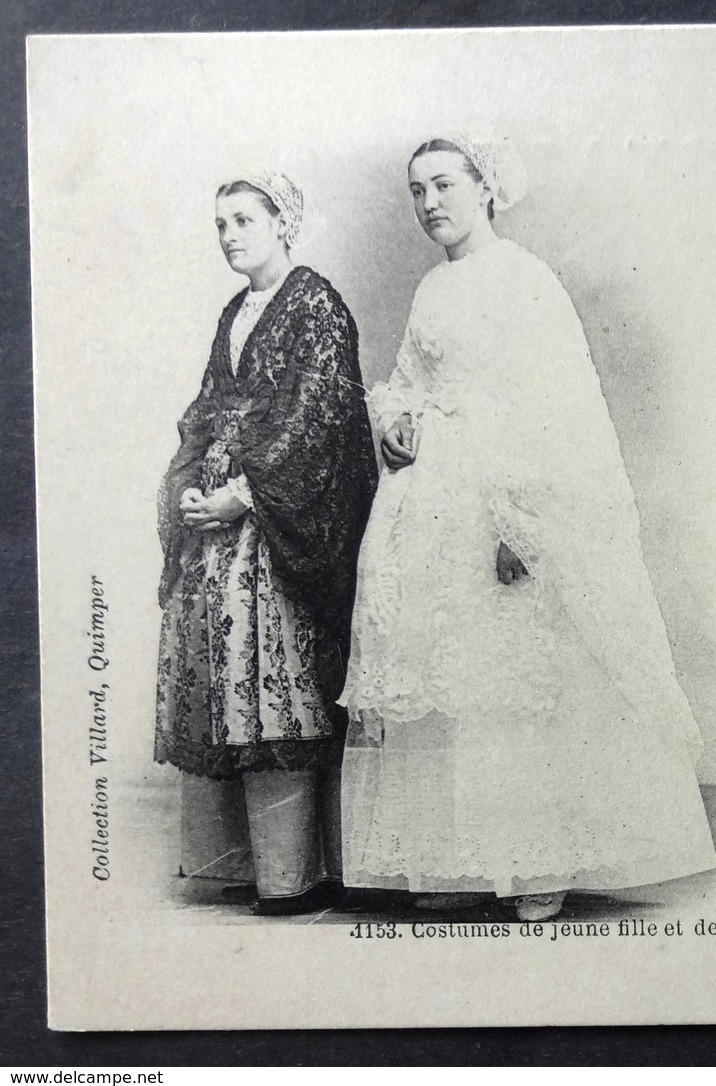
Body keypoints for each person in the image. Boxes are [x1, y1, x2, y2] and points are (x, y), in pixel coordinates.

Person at [340, 132, 716, 921]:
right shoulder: (430, 291)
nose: (430, 203)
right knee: (445, 676)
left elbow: (560, 410)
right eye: (417, 191)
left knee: (509, 679)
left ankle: (537, 860)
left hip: (507, 501)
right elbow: (406, 382)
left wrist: (522, 522)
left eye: (444, 184)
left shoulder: (525, 281)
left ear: (485, 187)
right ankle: (453, 864)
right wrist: (397, 423)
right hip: (432, 504)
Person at [155, 172, 378, 915]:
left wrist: (241, 494)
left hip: (278, 531)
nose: (230, 235)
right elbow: (208, 406)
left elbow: (317, 419)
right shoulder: (235, 310)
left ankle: (300, 876)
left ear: (284, 222)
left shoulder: (316, 304)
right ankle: (257, 870)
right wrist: (192, 485)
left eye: (244, 219)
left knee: (279, 692)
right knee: (232, 688)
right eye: (220, 223)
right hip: (224, 532)